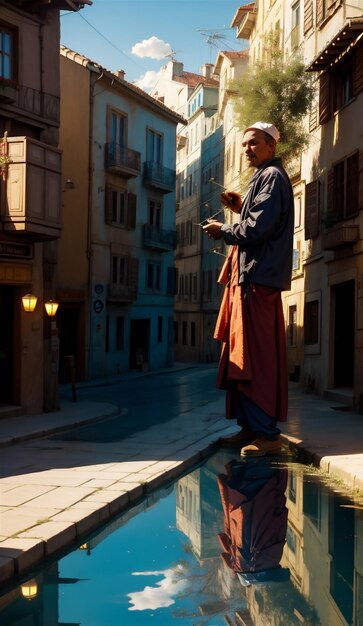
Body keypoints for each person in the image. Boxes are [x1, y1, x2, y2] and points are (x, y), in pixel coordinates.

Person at [203, 121, 294, 457]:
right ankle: (250, 429)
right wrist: (241, 208)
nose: (246, 150)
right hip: (253, 278)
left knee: (254, 357)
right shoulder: (266, 177)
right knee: (244, 355)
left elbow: (258, 228)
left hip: (258, 279)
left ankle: (267, 433)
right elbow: (259, 219)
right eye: (244, 145)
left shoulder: (271, 176)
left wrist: (224, 230)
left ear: (271, 146)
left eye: (254, 143)